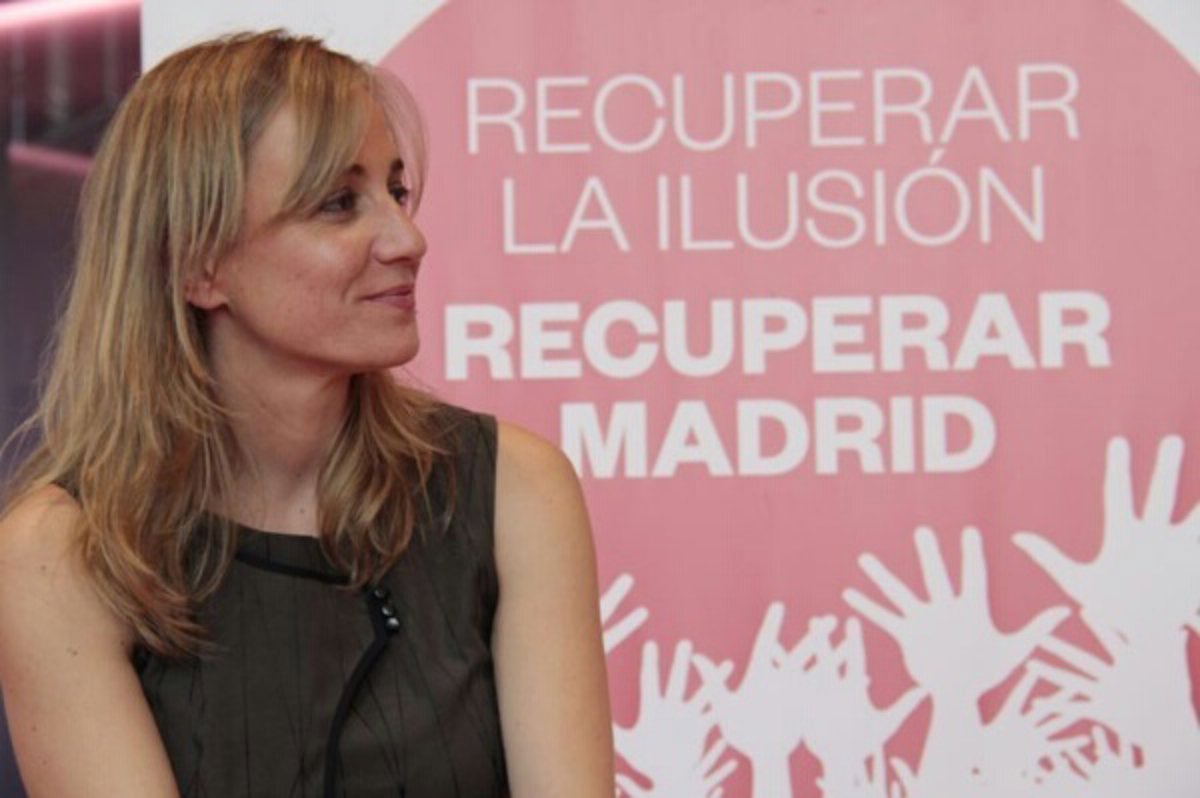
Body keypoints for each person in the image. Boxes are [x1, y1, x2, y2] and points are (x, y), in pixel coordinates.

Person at [0, 30, 614, 797]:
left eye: (396, 192)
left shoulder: (510, 491)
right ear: (199, 264)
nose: (408, 239)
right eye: (337, 203)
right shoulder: (61, 554)